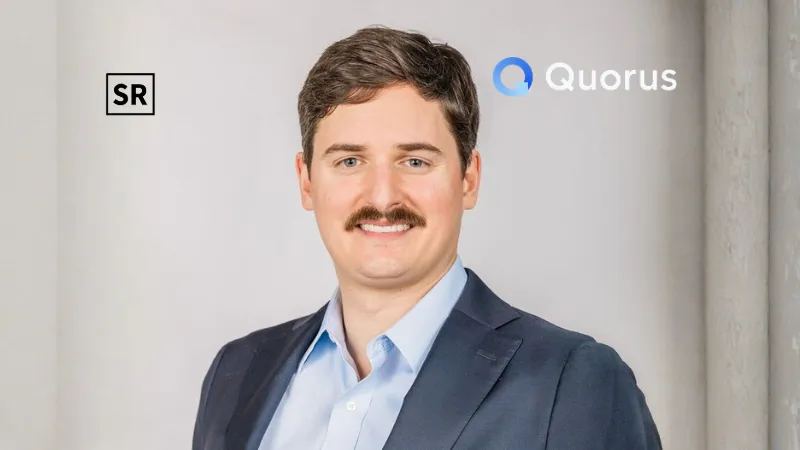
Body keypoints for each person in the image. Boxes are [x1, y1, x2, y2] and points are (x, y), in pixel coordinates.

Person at [191, 25, 662, 450]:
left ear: (468, 179)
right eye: (349, 161)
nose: (382, 196)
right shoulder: (237, 372)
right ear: (307, 181)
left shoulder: (572, 382)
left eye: (415, 161)